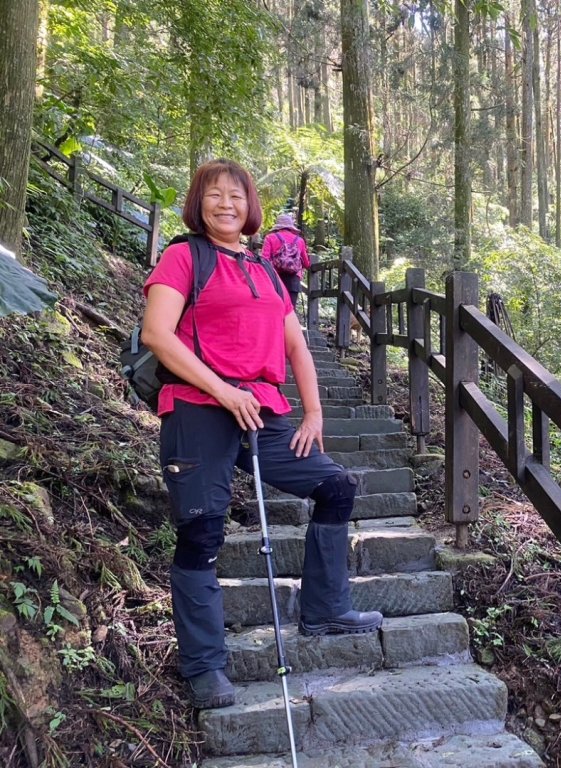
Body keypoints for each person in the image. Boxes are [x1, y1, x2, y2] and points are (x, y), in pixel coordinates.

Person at [140, 159, 382, 710]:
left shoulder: (267, 271)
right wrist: (224, 390)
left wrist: (314, 414)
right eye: (214, 195)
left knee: (336, 486)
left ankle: (324, 610)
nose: (226, 204)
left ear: (252, 208)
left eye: (236, 196)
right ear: (198, 202)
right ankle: (204, 667)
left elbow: (295, 345)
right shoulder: (184, 256)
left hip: (265, 413)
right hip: (198, 408)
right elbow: (158, 333)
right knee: (201, 533)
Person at [262, 212, 310, 308]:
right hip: (293, 279)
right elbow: (307, 263)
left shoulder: (270, 238)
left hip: (275, 278)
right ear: (291, 226)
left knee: (275, 310)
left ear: (277, 226)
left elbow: (264, 259)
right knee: (291, 310)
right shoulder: (300, 240)